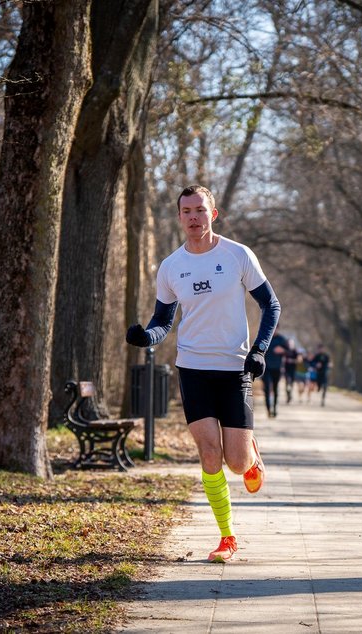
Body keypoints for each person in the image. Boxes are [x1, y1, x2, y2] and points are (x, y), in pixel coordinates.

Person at [126, 184, 280, 564]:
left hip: (234, 368)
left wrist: (259, 350)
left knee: (236, 463)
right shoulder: (171, 266)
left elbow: (270, 305)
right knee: (209, 454)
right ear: (179, 216)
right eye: (186, 211)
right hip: (193, 367)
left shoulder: (237, 255)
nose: (193, 217)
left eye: (200, 210)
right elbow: (163, 321)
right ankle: (227, 536)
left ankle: (250, 454)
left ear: (213, 214)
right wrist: (147, 337)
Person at [262, 328, 289, 417]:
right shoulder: (265, 337)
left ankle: (275, 408)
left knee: (275, 388)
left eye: (276, 328)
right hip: (266, 368)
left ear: (278, 329)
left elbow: (290, 352)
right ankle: (268, 409)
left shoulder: (282, 339)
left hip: (277, 368)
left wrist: (283, 350)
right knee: (267, 389)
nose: (274, 330)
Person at [283, 338, 298, 404]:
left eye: (291, 343)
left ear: (293, 344)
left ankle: (290, 394)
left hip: (293, 370)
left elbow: (299, 360)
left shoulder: (295, 351)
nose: (290, 344)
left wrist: (291, 361)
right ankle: (288, 396)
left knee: (291, 384)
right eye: (289, 343)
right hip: (286, 370)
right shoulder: (285, 350)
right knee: (287, 383)